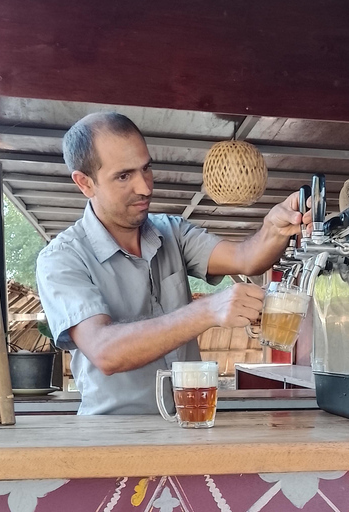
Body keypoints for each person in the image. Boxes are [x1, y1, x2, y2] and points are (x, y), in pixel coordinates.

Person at [37, 112, 311, 415]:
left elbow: (245, 259)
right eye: (124, 176)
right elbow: (105, 352)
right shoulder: (61, 258)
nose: (145, 187)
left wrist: (275, 227)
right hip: (113, 440)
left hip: (190, 424)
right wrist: (207, 310)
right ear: (84, 183)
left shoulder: (172, 231)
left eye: (146, 168)